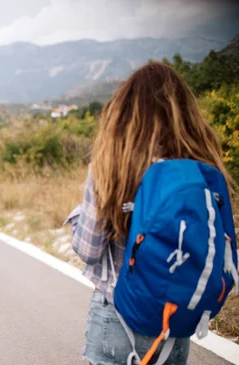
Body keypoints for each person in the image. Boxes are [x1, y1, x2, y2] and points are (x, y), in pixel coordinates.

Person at [69, 62, 235, 365]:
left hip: (117, 313)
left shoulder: (112, 166)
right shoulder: (201, 167)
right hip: (174, 320)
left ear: (123, 113)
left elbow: (88, 250)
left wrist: (79, 216)